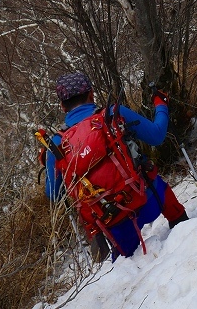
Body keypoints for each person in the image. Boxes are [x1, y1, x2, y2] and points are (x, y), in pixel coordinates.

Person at [44, 71, 188, 260]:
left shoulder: (56, 145)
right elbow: (157, 135)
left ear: (63, 106)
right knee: (157, 184)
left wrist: (49, 164)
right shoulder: (112, 114)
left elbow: (55, 194)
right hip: (149, 199)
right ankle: (183, 226)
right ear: (91, 94)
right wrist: (161, 105)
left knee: (129, 266)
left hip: (112, 222)